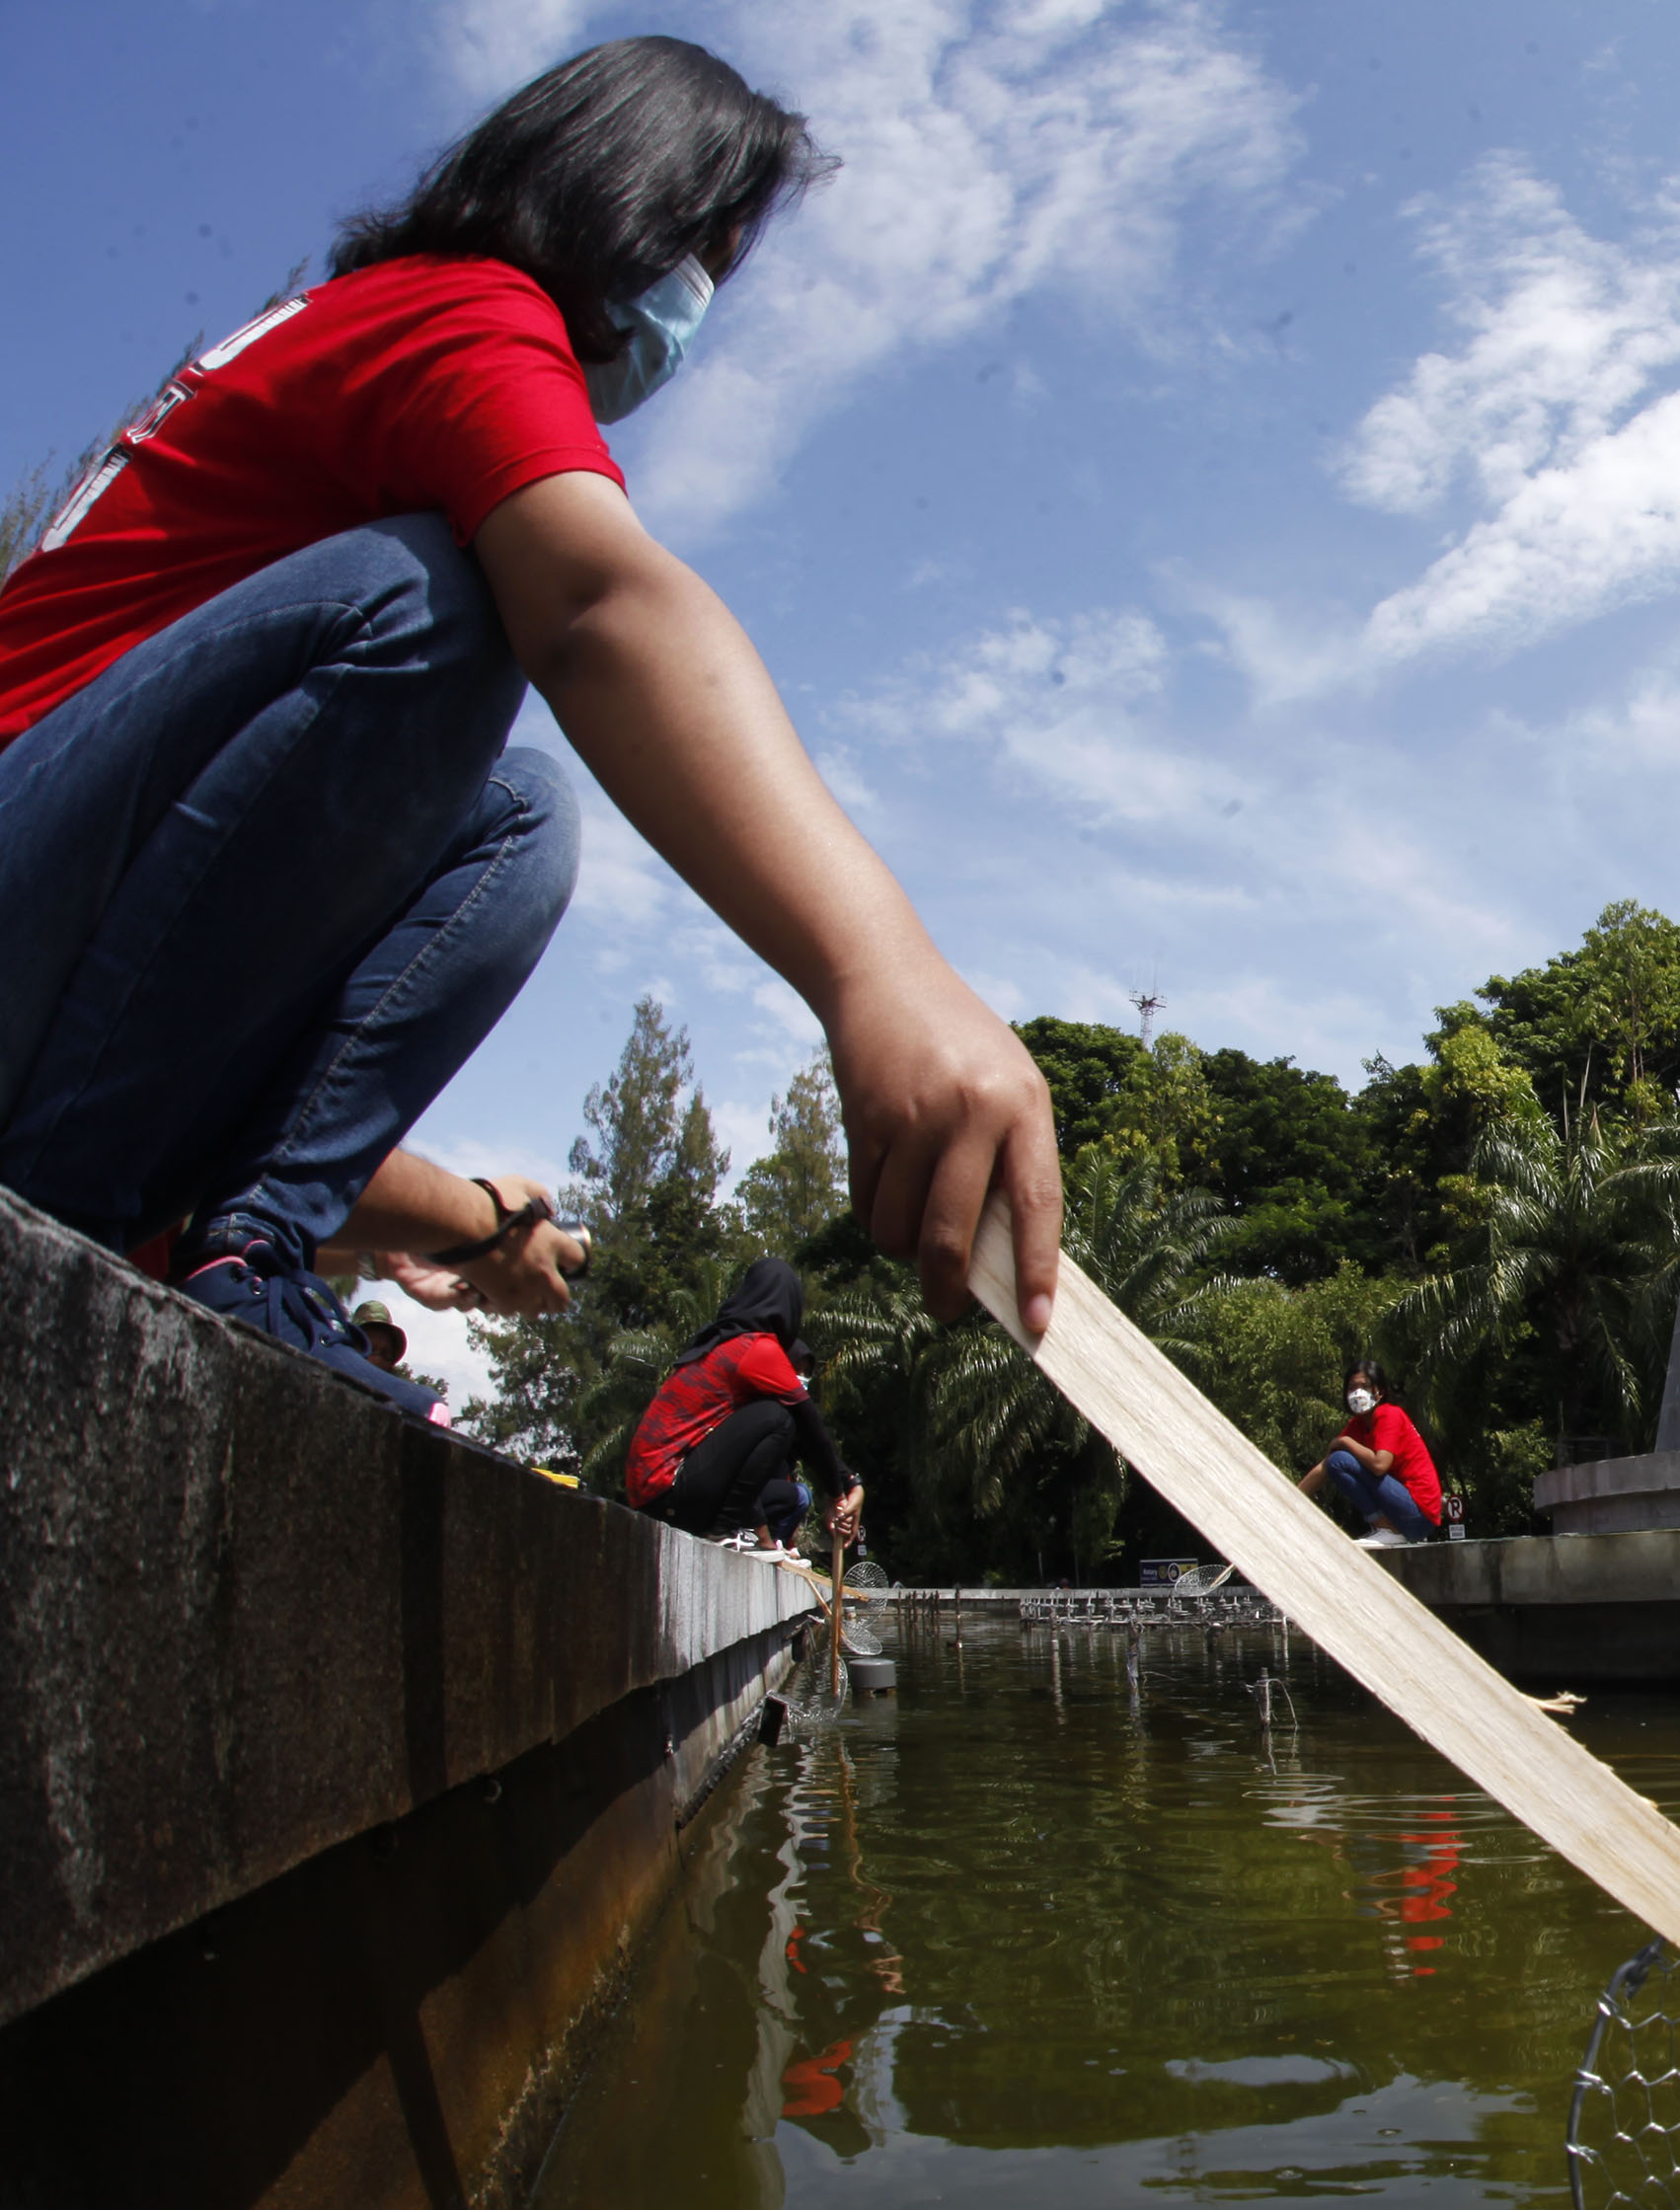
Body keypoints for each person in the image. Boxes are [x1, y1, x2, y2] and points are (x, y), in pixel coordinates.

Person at [0, 36, 1063, 1436]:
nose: (690, 315)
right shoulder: (453, 312)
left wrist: (465, 1220)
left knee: (517, 816)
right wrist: (884, 971)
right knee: (443, 599)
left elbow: (211, 1034)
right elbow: (600, 604)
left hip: (58, 987)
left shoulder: (374, 336)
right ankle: (76, 1222)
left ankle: (236, 1252)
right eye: (704, 263)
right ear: (627, 194)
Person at [625, 1256, 858, 1557]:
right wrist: (840, 1491)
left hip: (655, 1494)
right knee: (779, 1419)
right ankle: (723, 1529)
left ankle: (739, 1530)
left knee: (775, 1427)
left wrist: (847, 1481)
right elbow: (808, 1425)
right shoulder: (756, 1349)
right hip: (666, 1490)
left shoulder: (723, 1344)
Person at [1301, 1362, 1442, 1550]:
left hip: (1418, 1513)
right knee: (1336, 1461)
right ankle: (1387, 1529)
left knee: (1340, 1459)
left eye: (1365, 1386)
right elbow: (1326, 1466)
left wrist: (1344, 1442)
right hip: (1404, 1512)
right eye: (1352, 1388)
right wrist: (1289, 1497)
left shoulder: (1389, 1414)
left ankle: (1387, 1530)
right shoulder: (1358, 1425)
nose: (1358, 1393)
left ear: (1379, 1391)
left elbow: (1380, 1465)